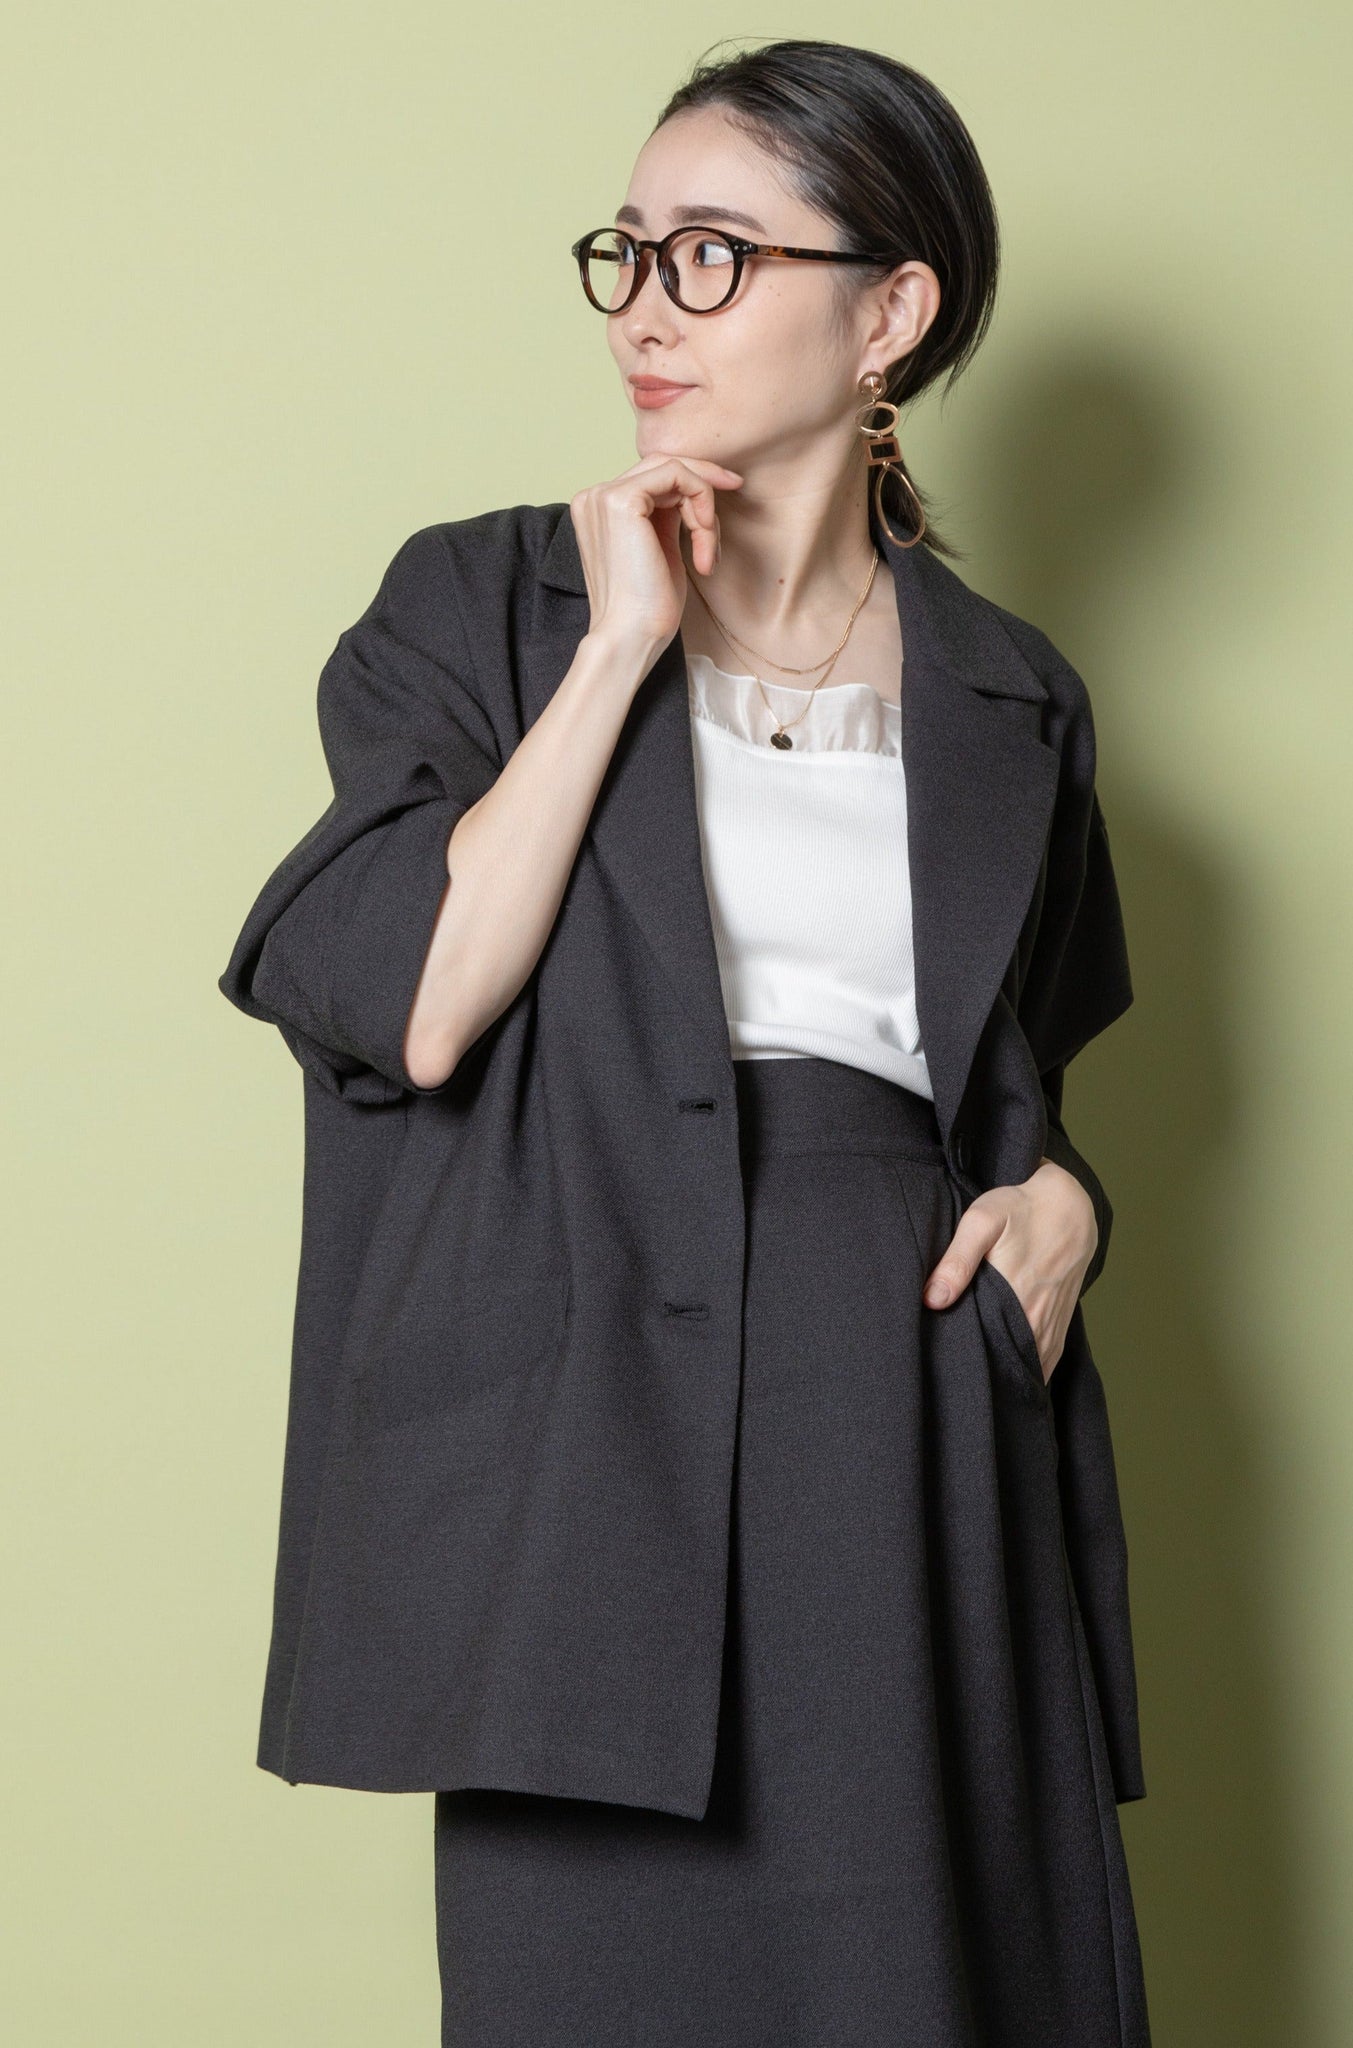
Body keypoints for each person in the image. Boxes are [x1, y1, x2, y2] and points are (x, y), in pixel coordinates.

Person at [219, 36, 1151, 2048]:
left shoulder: (1010, 694)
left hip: (907, 1425)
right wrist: (622, 643)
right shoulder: (483, 604)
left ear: (885, 316)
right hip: (587, 1447)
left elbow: (1015, 1079)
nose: (646, 307)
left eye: (714, 255)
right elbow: (418, 1003)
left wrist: (1068, 1204)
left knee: (933, 1987)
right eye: (627, 252)